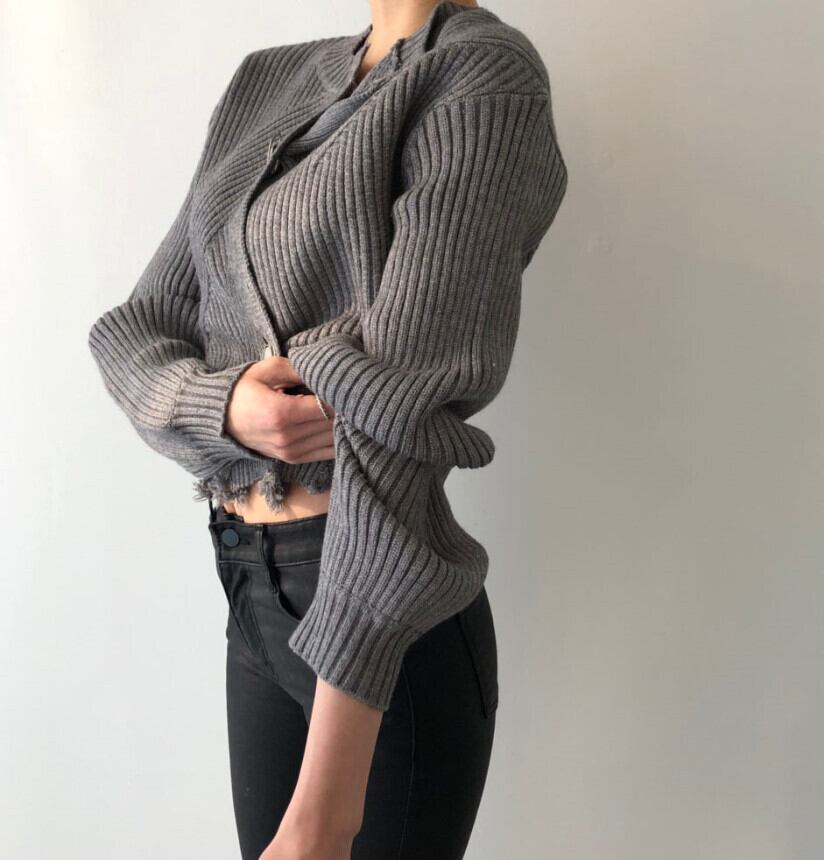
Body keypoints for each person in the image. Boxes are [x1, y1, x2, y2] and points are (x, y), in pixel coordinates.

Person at [87, 1, 568, 857]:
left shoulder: (483, 77)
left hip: (378, 611)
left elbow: (398, 417)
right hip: (247, 588)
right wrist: (225, 405)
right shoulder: (267, 79)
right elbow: (138, 325)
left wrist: (327, 805)